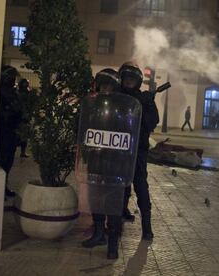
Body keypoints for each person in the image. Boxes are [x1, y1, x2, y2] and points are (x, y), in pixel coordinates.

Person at [81, 68, 123, 259]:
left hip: (116, 163)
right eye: (103, 84)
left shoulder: (123, 107)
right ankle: (98, 234)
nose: (106, 88)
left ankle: (112, 243)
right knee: (96, 200)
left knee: (113, 204)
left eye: (109, 85)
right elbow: (82, 128)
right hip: (96, 160)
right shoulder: (93, 104)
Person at [119, 62, 159, 241]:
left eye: (132, 79)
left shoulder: (144, 98)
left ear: (138, 81)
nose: (128, 82)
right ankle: (118, 219)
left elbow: (153, 122)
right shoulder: (116, 96)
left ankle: (147, 227)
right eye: (126, 78)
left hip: (138, 150)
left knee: (141, 185)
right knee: (120, 186)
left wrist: (145, 104)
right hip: (119, 149)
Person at [0, 65, 22, 198]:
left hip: (12, 131)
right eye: (11, 78)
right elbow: (0, 113)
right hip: (3, 131)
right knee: (1, 160)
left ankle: (4, 186)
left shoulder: (13, 93)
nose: (13, 80)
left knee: (9, 161)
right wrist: (11, 112)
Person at [17, 79, 30, 158]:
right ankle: (22, 152)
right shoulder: (23, 94)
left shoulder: (18, 93)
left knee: (23, 135)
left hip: (22, 116)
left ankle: (23, 152)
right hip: (23, 116)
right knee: (23, 135)